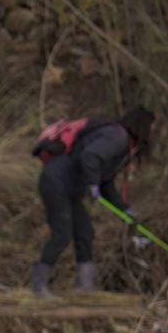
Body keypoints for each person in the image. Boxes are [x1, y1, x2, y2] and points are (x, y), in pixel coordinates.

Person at [28, 106, 153, 296]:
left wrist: (123, 210)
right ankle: (38, 287)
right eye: (153, 127)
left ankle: (85, 287)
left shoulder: (121, 145)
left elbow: (106, 183)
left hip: (70, 188)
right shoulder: (116, 137)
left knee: (85, 233)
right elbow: (90, 157)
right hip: (56, 182)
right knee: (62, 235)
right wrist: (92, 184)